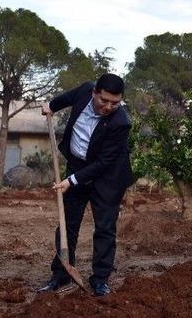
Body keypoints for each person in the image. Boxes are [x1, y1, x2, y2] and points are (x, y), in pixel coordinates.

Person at [37, 73, 133, 296]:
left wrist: (71, 181)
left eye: (115, 103)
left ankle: (100, 280)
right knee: (67, 223)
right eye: (104, 100)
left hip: (108, 176)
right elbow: (65, 98)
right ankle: (60, 275)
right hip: (78, 165)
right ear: (94, 93)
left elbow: (104, 163)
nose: (109, 106)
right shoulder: (83, 91)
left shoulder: (121, 123)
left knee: (105, 227)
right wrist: (50, 105)